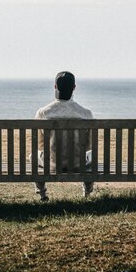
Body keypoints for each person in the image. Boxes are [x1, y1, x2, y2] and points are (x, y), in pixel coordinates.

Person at [33, 71, 94, 201]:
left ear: (55, 87)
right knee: (90, 156)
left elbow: (39, 144)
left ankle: (43, 194)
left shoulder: (43, 112)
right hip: (78, 164)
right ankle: (87, 194)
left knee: (33, 156)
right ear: (74, 88)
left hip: (53, 164)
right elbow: (88, 145)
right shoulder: (86, 113)